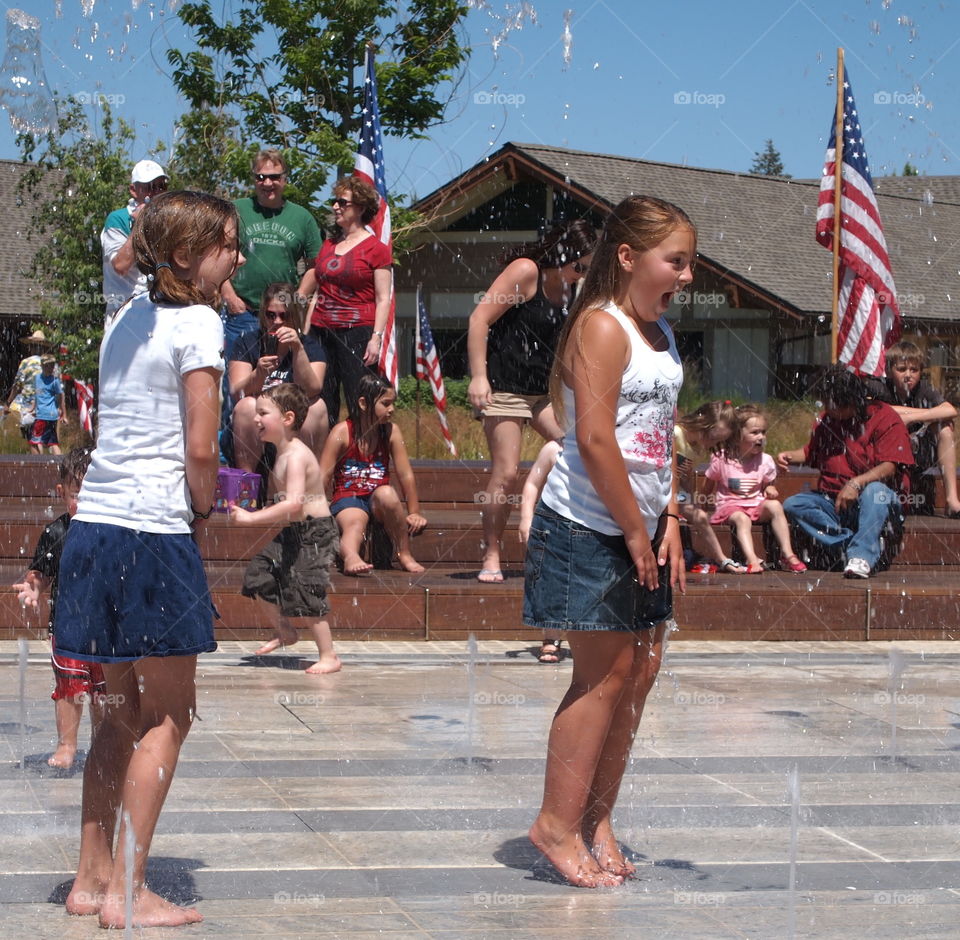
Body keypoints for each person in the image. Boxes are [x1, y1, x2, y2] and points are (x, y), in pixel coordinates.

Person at [56, 190, 241, 928]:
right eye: (228, 244)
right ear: (191, 258)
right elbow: (201, 446)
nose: (240, 255)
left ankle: (89, 881)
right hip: (153, 532)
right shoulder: (199, 321)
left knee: (118, 714)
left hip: (95, 528)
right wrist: (203, 510)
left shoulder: (126, 316)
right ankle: (129, 893)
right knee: (169, 713)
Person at [524, 195, 692, 887]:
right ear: (628, 257)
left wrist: (670, 518)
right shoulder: (602, 326)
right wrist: (632, 528)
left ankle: (597, 817)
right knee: (603, 676)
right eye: (675, 260)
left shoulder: (660, 333)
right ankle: (555, 825)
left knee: (641, 672)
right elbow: (592, 438)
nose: (687, 275)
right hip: (590, 526)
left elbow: (662, 438)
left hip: (642, 528)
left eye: (689, 261)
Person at [468, 218, 597, 583]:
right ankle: (492, 552)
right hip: (504, 387)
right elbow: (479, 320)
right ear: (563, 254)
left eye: (587, 267)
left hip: (544, 393)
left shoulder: (574, 291)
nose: (582, 273)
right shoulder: (526, 273)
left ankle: (567, 542)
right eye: (579, 266)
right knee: (506, 472)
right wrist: (479, 376)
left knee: (579, 450)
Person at [231, 384, 341, 674]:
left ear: (287, 419)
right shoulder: (279, 452)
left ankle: (329, 655)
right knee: (258, 575)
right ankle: (285, 632)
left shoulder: (295, 456)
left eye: (263, 413)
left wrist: (253, 519)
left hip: (316, 532)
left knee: (307, 589)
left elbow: (294, 503)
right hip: (296, 532)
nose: (256, 419)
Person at [14, 447, 105, 770]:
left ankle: (104, 742)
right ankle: (67, 744)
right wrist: (33, 588)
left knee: (105, 691)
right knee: (69, 688)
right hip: (68, 628)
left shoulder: (112, 531)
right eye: (78, 494)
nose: (86, 502)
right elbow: (41, 573)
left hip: (110, 628)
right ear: (62, 492)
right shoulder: (57, 532)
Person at [779, 365, 914, 579]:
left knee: (876, 491)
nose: (824, 407)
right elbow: (810, 452)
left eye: (828, 402)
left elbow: (890, 466)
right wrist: (788, 456)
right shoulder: (828, 420)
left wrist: (856, 483)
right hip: (835, 501)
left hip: (875, 503)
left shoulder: (886, 418)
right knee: (794, 504)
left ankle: (861, 557)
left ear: (848, 401)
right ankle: (855, 543)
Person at [302, 175, 392, 425]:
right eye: (335, 201)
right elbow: (318, 291)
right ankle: (326, 459)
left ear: (361, 208)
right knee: (321, 398)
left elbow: (383, 298)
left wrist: (376, 338)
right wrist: (307, 333)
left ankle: (363, 456)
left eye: (342, 202)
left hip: (357, 332)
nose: (335, 207)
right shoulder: (328, 244)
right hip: (321, 331)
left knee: (360, 397)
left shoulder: (376, 249)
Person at [320, 372, 426, 576]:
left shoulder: (390, 432)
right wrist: (318, 505)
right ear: (363, 403)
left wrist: (414, 511)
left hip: (378, 499)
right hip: (348, 497)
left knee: (387, 493)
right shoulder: (342, 432)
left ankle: (404, 553)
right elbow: (324, 475)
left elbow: (405, 475)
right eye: (385, 404)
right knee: (355, 523)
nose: (391, 409)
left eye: (392, 403)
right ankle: (351, 556)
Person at [221, 149, 322, 359]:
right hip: (243, 312)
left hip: (282, 316)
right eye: (261, 177)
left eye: (274, 177)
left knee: (282, 381)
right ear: (254, 179)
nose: (267, 183)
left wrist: (298, 298)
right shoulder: (235, 210)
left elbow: (315, 265)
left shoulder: (302, 217)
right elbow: (215, 254)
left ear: (284, 179)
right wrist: (230, 297)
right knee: (238, 381)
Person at [228, 282, 328, 470]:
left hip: (291, 420)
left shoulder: (309, 346)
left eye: (284, 315)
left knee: (317, 407)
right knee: (246, 405)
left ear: (294, 316)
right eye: (271, 315)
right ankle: (247, 486)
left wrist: (298, 350)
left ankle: (308, 483)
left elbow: (313, 389)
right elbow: (236, 392)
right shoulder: (247, 342)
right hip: (257, 420)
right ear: (263, 314)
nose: (277, 321)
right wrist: (258, 374)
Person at [703, 403, 806, 573]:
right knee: (742, 519)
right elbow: (708, 484)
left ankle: (787, 554)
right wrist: (702, 506)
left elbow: (767, 486)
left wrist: (769, 490)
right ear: (737, 436)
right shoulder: (722, 459)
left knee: (775, 506)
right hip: (729, 506)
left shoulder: (765, 460)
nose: (761, 437)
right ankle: (752, 559)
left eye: (763, 432)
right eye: (755, 432)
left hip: (755, 505)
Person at [864, 341, 960, 517]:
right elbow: (877, 409)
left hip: (919, 453)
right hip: (884, 455)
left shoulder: (924, 390)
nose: (908, 375)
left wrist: (910, 417)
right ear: (890, 370)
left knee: (945, 427)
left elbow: (951, 410)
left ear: (921, 371)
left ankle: (952, 500)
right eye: (901, 369)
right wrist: (927, 413)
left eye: (914, 370)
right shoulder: (879, 387)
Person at [674, 401, 744, 573]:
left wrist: (692, 497)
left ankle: (722, 559)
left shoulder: (698, 447)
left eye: (719, 441)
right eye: (712, 438)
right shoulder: (675, 434)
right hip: (657, 488)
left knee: (700, 516)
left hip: (675, 492)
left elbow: (686, 476)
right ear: (701, 421)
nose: (712, 444)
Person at [100, 159, 168, 322]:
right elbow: (120, 265)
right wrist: (139, 225)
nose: (155, 192)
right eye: (148, 187)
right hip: (123, 310)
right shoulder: (118, 219)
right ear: (133, 190)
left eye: (160, 186)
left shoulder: (168, 221)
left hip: (158, 310)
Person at [518, 438, 565, 663]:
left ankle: (593, 635)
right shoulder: (553, 449)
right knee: (550, 583)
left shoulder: (604, 444)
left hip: (591, 527)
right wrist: (527, 518)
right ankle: (551, 638)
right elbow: (532, 483)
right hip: (553, 528)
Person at [2, 329, 53, 449]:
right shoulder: (49, 363)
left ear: (31, 347)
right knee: (42, 438)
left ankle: (38, 465)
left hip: (28, 405)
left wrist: (8, 403)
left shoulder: (26, 362)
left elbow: (17, 385)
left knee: (32, 439)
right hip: (45, 403)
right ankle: (48, 464)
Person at [30, 353, 66, 455]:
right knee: (52, 442)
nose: (50, 368)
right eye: (47, 365)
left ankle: (37, 466)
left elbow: (60, 396)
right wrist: (33, 408)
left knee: (34, 442)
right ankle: (60, 464)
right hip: (42, 415)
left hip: (47, 416)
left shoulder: (55, 381)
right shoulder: (37, 378)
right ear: (41, 366)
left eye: (52, 365)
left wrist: (63, 413)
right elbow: (37, 395)